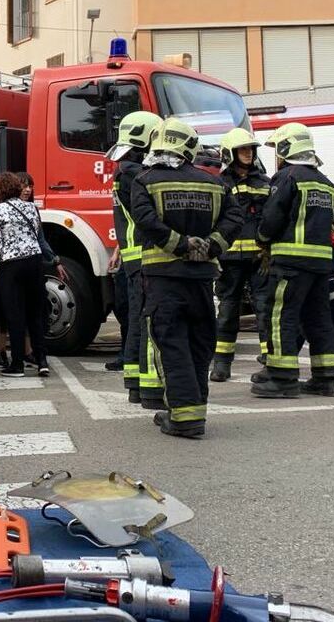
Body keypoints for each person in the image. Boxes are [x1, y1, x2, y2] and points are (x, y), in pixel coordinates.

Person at [129, 118, 243, 439]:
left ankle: (183, 418)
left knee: (171, 343)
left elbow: (145, 220)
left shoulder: (145, 180)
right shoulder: (215, 183)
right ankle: (194, 409)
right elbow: (234, 217)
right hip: (201, 279)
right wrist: (211, 247)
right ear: (189, 147)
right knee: (199, 342)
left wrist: (179, 245)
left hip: (163, 278)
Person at [252, 124, 334, 398]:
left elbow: (272, 217)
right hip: (320, 264)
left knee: (281, 317)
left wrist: (262, 239)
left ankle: (282, 378)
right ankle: (326, 379)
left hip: (290, 263)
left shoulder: (287, 176)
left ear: (285, 149)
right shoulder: (326, 183)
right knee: (319, 318)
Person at [105, 111, 162, 404]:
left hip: (132, 255)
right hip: (143, 257)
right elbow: (145, 218)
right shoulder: (133, 174)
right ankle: (143, 384)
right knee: (144, 322)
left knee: (139, 320)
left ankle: (135, 382)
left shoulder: (122, 170)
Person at [209, 129, 270, 383]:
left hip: (259, 258)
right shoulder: (219, 184)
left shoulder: (265, 183)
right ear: (229, 153)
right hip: (230, 259)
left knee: (265, 309)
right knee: (228, 311)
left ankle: (270, 362)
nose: (248, 153)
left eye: (251, 149)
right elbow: (213, 220)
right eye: (243, 149)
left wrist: (269, 250)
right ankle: (222, 363)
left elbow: (272, 219)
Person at [0, 172, 51, 377]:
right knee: (35, 314)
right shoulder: (32, 208)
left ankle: (17, 365)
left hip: (11, 265)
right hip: (35, 262)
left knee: (16, 316)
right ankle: (42, 361)